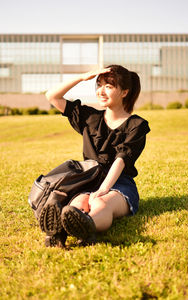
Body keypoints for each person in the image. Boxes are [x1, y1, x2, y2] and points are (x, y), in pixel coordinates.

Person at [43, 64, 150, 247]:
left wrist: (103, 189)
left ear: (124, 92)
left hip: (119, 183)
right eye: (98, 85)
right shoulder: (89, 118)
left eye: (108, 86)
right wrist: (82, 77)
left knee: (102, 203)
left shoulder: (136, 125)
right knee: (76, 204)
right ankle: (60, 230)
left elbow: (121, 159)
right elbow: (52, 96)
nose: (101, 91)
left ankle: (87, 226)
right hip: (90, 180)